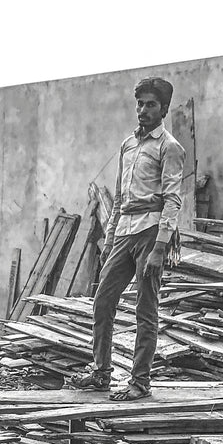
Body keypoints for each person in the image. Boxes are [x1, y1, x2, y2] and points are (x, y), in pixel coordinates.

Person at [71, 77, 185, 401]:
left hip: (151, 232)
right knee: (103, 300)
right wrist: (109, 240)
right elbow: (120, 198)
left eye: (151, 104)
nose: (143, 110)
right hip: (124, 231)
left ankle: (140, 382)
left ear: (164, 109)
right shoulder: (128, 145)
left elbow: (173, 200)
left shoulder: (170, 147)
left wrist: (160, 247)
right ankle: (101, 373)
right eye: (140, 104)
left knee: (145, 309)